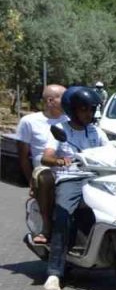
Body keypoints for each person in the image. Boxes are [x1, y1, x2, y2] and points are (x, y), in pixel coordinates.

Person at [40, 87, 116, 290]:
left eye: (91, 109)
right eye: (84, 109)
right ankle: (55, 272)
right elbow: (46, 156)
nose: (89, 113)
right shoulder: (61, 130)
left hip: (99, 177)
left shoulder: (96, 131)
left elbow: (110, 150)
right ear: (72, 110)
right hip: (71, 179)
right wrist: (59, 160)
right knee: (63, 215)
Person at [16, 84, 68, 244]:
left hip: (70, 166)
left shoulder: (71, 120)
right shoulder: (29, 121)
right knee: (45, 179)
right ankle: (46, 228)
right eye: (63, 97)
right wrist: (31, 181)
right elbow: (23, 156)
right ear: (51, 100)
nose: (68, 101)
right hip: (44, 169)